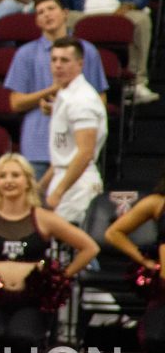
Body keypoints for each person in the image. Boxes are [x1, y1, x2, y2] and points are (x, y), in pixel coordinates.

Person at [0, 153, 98, 349]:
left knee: (22, 339)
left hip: (30, 300)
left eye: (15, 175)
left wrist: (62, 276)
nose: (9, 181)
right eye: (3, 176)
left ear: (27, 181)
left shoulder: (44, 218)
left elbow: (89, 248)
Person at [4, 0, 108, 182]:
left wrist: (63, 107)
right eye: (41, 12)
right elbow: (15, 103)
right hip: (37, 145)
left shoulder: (87, 51)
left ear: (65, 13)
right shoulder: (25, 54)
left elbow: (100, 99)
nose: (46, 15)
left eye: (51, 9)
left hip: (77, 143)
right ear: (36, 21)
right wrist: (51, 90)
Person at [44, 38, 108, 224]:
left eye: (64, 60)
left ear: (80, 64)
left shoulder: (83, 100)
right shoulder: (65, 94)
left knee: (76, 246)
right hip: (64, 178)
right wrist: (40, 188)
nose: (57, 65)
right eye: (54, 59)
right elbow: (63, 153)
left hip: (78, 184)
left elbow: (85, 152)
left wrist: (58, 192)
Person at [103, 172, 165, 353]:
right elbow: (114, 233)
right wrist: (144, 260)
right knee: (154, 340)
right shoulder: (157, 202)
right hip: (164, 291)